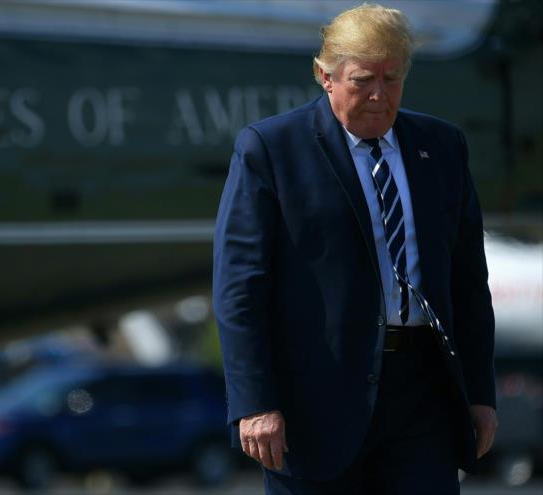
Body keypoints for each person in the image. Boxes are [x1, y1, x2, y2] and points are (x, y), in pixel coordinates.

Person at [212, 4, 497, 494]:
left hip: (422, 390)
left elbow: (468, 281)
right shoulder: (271, 149)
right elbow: (240, 287)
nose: (378, 95)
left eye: (392, 79)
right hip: (316, 400)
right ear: (324, 76)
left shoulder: (442, 146)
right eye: (363, 80)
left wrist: (480, 393)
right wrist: (255, 402)